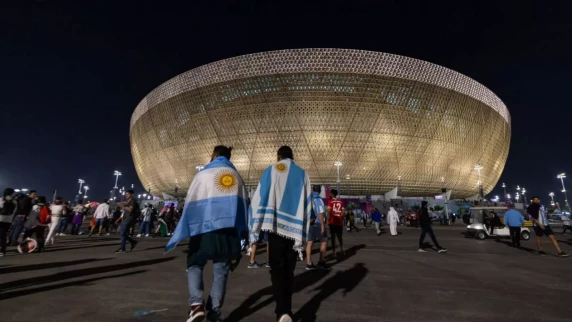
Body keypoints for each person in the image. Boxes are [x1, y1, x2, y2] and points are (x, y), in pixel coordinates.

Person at [165, 146, 247, 322]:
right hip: (228, 233)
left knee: (195, 265)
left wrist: (186, 227)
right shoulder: (237, 177)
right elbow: (243, 208)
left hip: (203, 230)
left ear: (214, 155)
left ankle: (196, 305)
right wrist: (242, 233)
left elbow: (191, 204)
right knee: (221, 272)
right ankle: (214, 312)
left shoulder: (202, 175)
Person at [249, 146, 311, 322]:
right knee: (289, 272)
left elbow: (260, 195)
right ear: (293, 156)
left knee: (277, 269)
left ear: (278, 156)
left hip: (275, 228)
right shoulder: (302, 174)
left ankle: (282, 311)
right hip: (294, 230)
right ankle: (286, 310)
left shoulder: (272, 169)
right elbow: (308, 204)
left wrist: (255, 223)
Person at [305, 185, 328, 270]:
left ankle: (308, 263)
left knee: (309, 242)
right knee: (324, 241)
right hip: (318, 223)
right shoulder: (318, 199)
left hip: (309, 223)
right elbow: (320, 213)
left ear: (312, 190)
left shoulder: (308, 199)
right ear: (320, 191)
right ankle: (321, 262)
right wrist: (323, 225)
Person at [327, 189, 345, 257]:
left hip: (332, 221)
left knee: (333, 237)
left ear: (331, 194)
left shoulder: (330, 201)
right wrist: (341, 218)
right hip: (339, 222)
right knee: (340, 237)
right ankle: (342, 249)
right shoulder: (341, 202)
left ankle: (334, 252)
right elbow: (343, 212)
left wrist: (327, 220)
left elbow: (329, 211)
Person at [0, 188, 18, 256]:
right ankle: (2, 251)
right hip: (8, 220)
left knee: (2, 236)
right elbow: (15, 211)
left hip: (0, 218)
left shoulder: (1, 199)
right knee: (3, 236)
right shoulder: (15, 202)